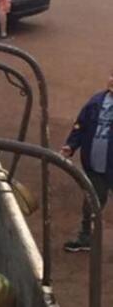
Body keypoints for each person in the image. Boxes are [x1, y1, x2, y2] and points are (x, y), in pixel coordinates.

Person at [61, 70, 113, 252]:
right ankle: (86, 237)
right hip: (95, 165)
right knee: (91, 202)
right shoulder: (96, 102)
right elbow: (80, 126)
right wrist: (71, 145)